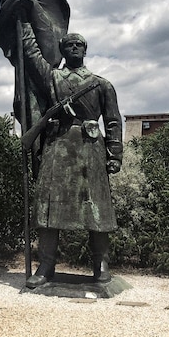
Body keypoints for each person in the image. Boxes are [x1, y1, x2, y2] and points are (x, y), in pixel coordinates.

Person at [21, 23, 123, 288]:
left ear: (85, 50)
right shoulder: (53, 78)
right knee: (48, 207)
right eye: (69, 45)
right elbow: (31, 56)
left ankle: (101, 264)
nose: (74, 47)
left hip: (90, 149)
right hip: (57, 145)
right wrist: (23, 23)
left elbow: (113, 122)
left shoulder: (102, 85)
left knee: (97, 207)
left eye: (79, 44)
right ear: (62, 50)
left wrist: (115, 155)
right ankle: (46, 266)